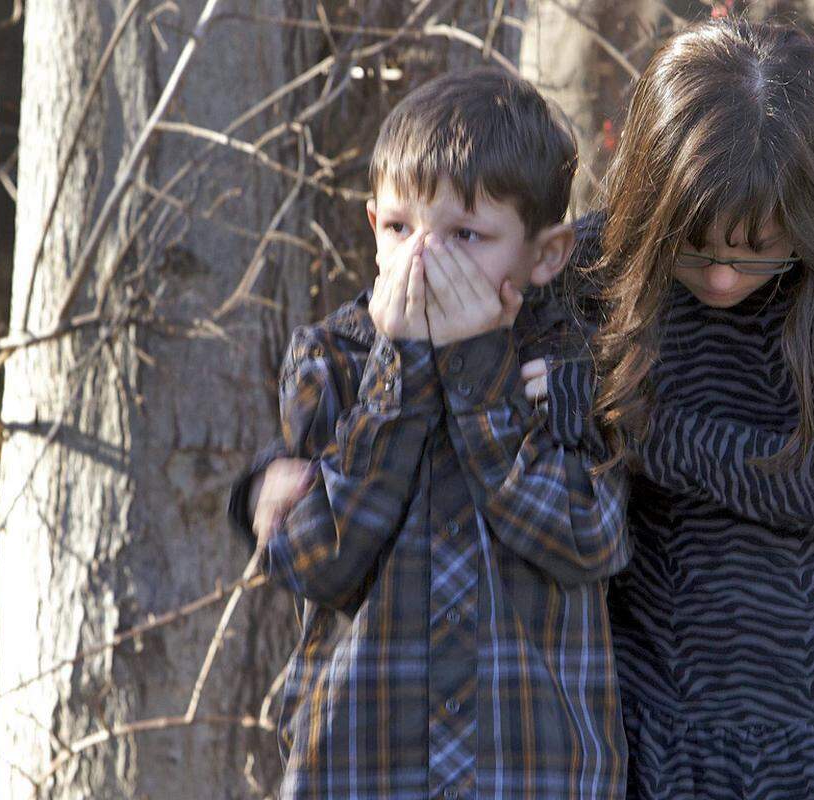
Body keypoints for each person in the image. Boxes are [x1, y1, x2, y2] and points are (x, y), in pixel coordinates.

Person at [525, 17, 814, 799]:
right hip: (679, 727)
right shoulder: (593, 268)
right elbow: (432, 336)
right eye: (695, 250)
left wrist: (636, 424)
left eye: (756, 252)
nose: (718, 281)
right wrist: (287, 464)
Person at [228, 67, 631, 799]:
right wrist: (401, 371)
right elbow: (317, 560)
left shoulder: (571, 367)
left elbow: (587, 537)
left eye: (465, 235)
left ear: (546, 254)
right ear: (372, 227)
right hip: (362, 770)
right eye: (400, 227)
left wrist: (482, 380)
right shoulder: (334, 359)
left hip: (531, 773)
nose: (423, 258)